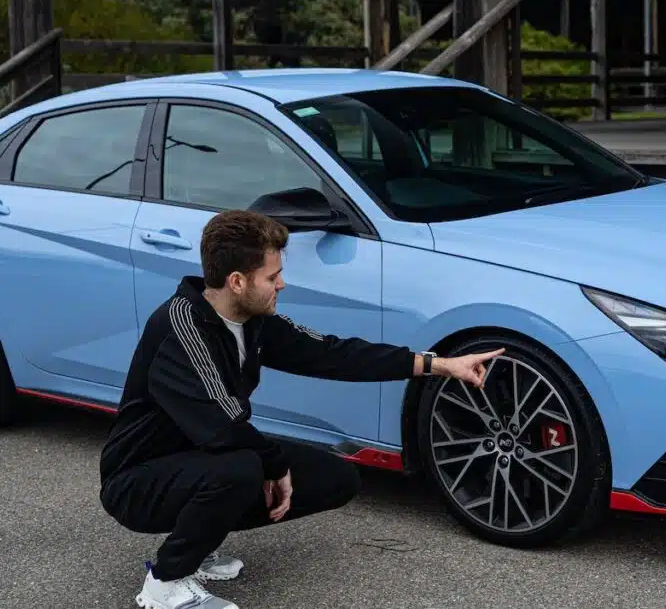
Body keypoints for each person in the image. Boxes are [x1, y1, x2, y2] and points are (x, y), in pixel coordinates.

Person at [98, 209, 503, 609]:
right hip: (137, 479)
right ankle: (165, 583)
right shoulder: (182, 326)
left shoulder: (253, 320)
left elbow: (333, 355)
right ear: (237, 282)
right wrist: (274, 466)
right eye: (272, 277)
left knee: (335, 477)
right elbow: (222, 424)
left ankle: (199, 542)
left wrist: (438, 365)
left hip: (201, 457)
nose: (282, 284)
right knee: (242, 468)